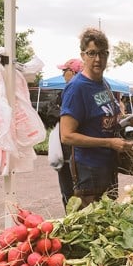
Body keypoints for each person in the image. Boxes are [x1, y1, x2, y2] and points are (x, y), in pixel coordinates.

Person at [59, 27, 133, 207]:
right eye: (92, 53)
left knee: (109, 221)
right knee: (94, 224)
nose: (98, 59)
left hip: (108, 165)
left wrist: (127, 121)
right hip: (89, 169)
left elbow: (105, 122)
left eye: (102, 53)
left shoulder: (104, 84)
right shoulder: (77, 88)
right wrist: (109, 143)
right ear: (83, 55)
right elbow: (67, 136)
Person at [54, 58, 83, 209]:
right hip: (75, 152)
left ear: (72, 72)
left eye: (64, 71)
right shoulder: (84, 89)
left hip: (70, 152)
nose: (63, 74)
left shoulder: (70, 91)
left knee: (69, 193)